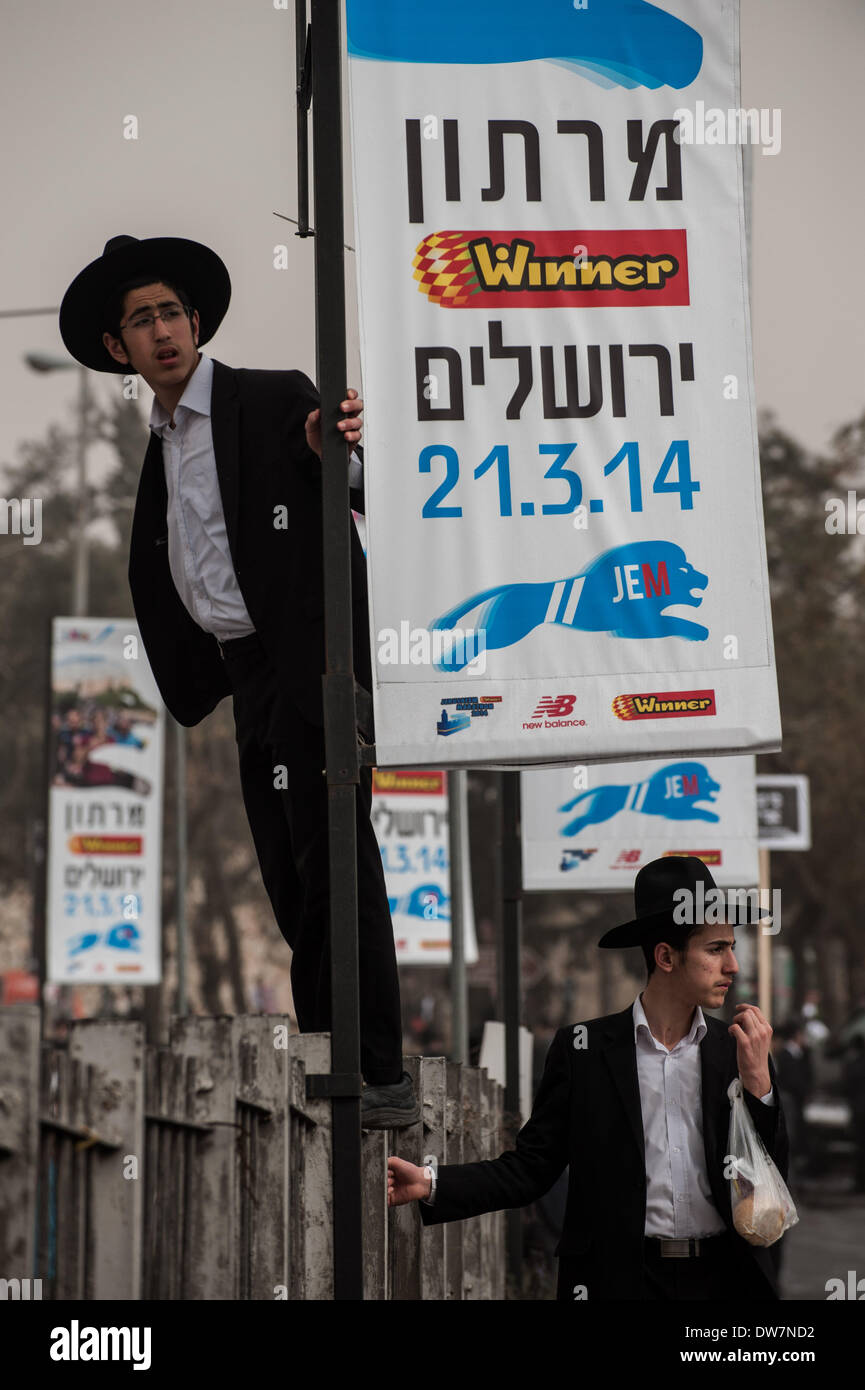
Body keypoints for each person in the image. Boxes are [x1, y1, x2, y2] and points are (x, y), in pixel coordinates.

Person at [58, 235, 418, 1128]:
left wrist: (321, 448)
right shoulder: (163, 443)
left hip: (313, 658)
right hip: (246, 673)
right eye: (141, 321)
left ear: (196, 322)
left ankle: (373, 1072)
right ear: (120, 351)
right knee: (289, 875)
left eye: (172, 312)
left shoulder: (268, 396)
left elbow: (347, 472)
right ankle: (337, 1052)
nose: (162, 331)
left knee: (336, 852)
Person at [388, 856, 789, 1299]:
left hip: (722, 1281)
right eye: (716, 949)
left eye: (731, 947)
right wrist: (431, 1182)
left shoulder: (739, 1048)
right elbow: (532, 1168)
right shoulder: (584, 1051)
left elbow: (772, 1180)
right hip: (619, 1281)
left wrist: (760, 1090)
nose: (732, 965)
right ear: (666, 956)